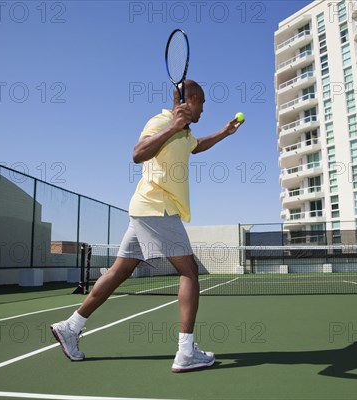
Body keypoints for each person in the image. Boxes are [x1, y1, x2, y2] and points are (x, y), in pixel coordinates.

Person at [51, 79, 244, 372]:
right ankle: (186, 351)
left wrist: (225, 133)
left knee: (119, 271)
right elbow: (137, 153)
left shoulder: (184, 132)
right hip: (158, 207)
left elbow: (196, 146)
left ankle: (71, 326)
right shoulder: (162, 121)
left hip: (145, 209)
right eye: (202, 102)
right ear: (190, 99)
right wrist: (172, 127)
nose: (204, 108)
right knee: (189, 272)